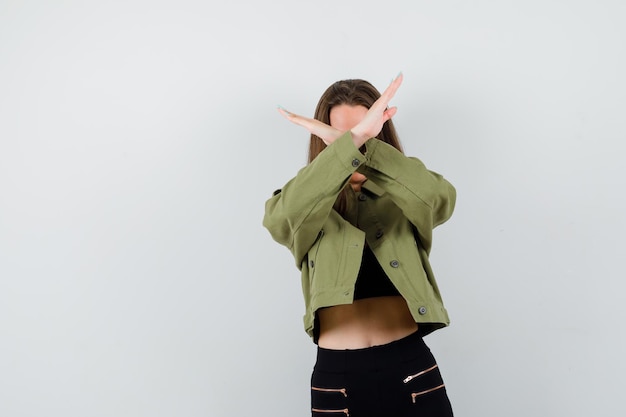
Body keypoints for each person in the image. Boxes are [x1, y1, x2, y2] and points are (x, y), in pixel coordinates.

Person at [263, 73, 456, 417]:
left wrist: (366, 148)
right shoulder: (305, 203)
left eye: (365, 132)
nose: (354, 144)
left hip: (410, 367)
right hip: (338, 380)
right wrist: (344, 151)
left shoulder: (405, 193)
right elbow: (280, 220)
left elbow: (439, 199)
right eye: (342, 137)